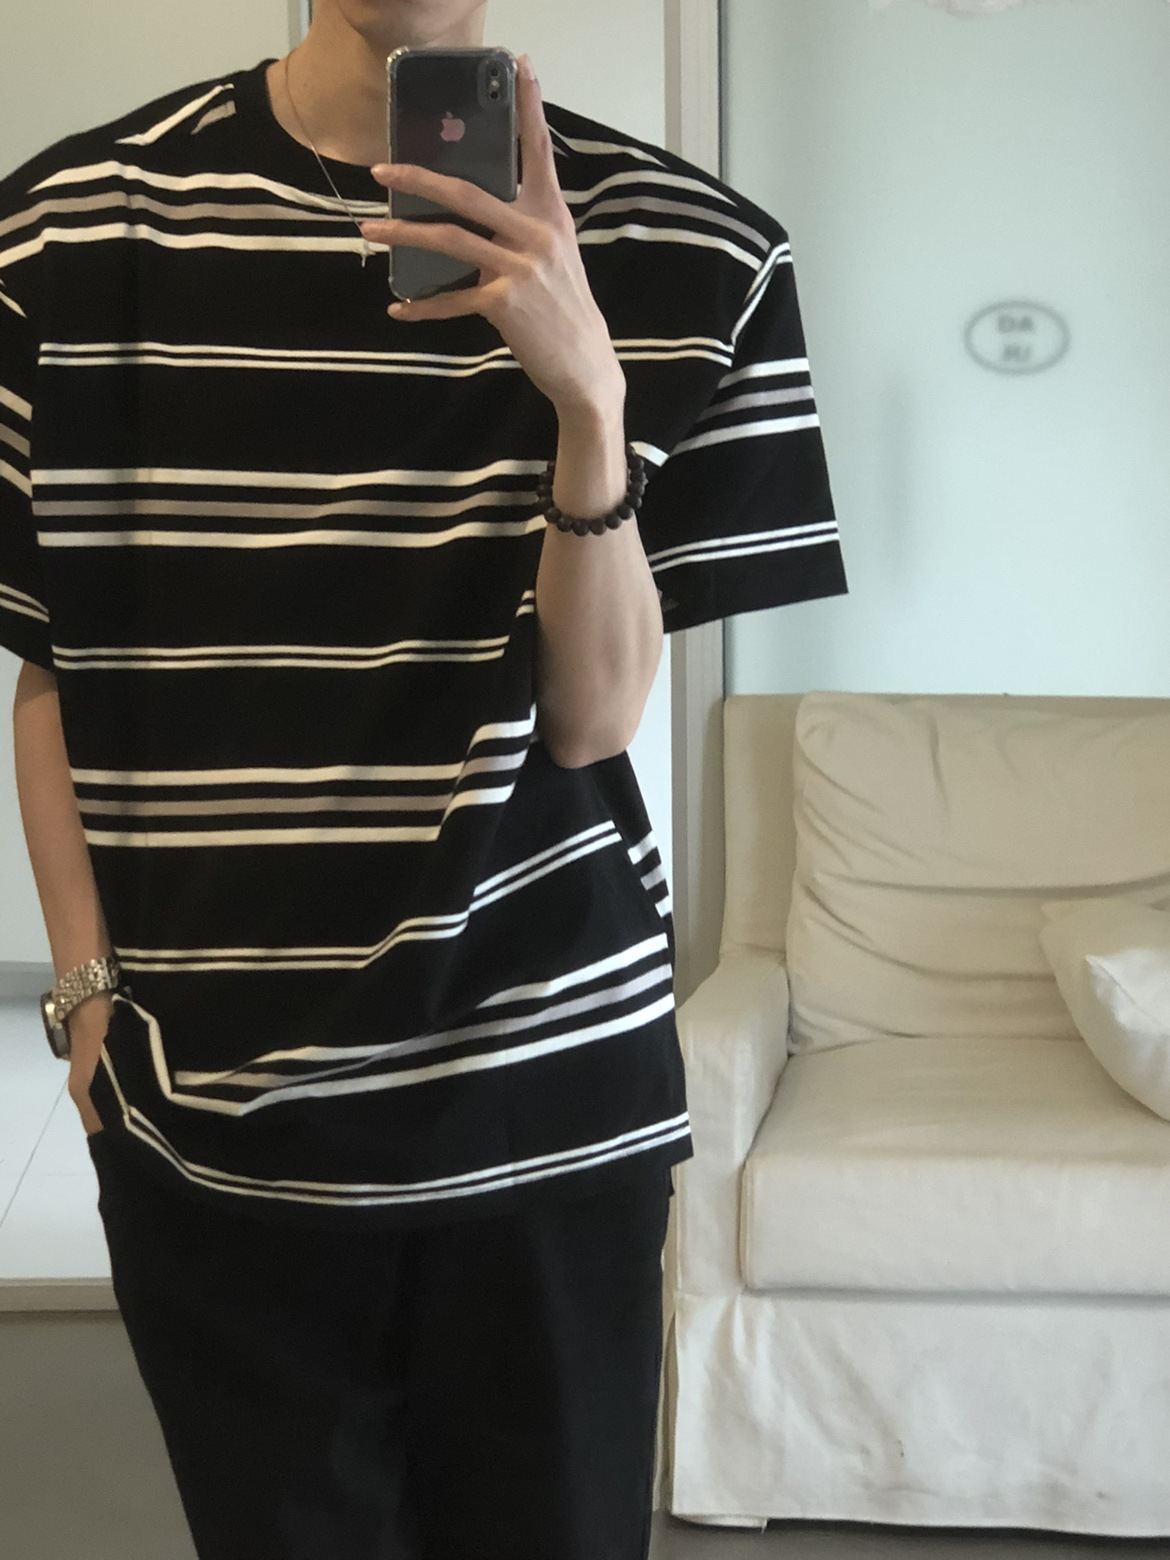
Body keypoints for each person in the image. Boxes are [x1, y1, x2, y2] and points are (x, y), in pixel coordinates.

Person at [2, 1, 847, 1555]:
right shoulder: (61, 235)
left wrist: (586, 400)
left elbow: (594, 719)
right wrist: (84, 988)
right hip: (208, 1108)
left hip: (542, 1094)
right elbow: (50, 662)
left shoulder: (693, 251)